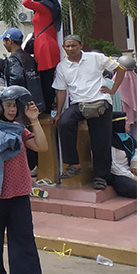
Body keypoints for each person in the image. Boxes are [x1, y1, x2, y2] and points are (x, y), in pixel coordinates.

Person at [0, 86, 57, 274]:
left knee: (24, 237)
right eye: (7, 105)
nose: (12, 109)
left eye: (14, 105)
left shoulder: (18, 128)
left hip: (19, 192)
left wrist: (34, 120)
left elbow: (41, 147)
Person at [51, 35, 124, 190]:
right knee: (64, 123)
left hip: (100, 101)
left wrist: (113, 89)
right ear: (63, 47)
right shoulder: (62, 66)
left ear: (81, 45)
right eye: (67, 46)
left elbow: (120, 68)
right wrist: (58, 113)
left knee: (100, 142)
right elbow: (61, 91)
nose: (70, 49)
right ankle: (74, 163)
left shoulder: (96, 58)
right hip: (79, 104)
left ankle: (101, 177)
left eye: (73, 46)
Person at [23, 0, 62, 108]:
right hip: (44, 43)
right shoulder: (46, 8)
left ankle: (47, 107)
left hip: (45, 45)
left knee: (47, 80)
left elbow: (26, 2)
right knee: (46, 79)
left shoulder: (45, 7)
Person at [0, 27, 46, 112]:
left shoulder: (13, 59)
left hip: (23, 105)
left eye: (4, 41)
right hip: (37, 102)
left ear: (9, 41)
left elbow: (16, 79)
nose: (3, 44)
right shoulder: (29, 57)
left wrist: (12, 98)